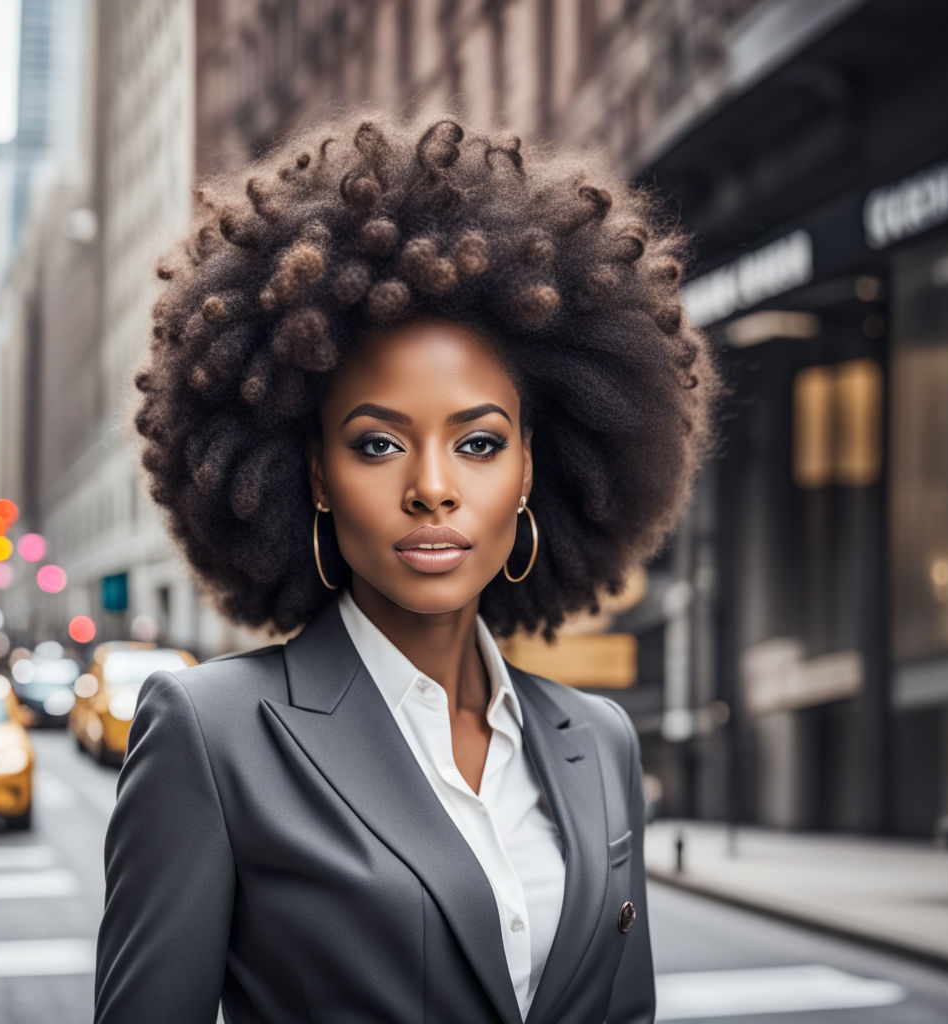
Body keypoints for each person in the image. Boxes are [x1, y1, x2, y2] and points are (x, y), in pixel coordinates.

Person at [95, 111, 720, 1024]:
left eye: (477, 442)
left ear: (531, 469)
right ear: (313, 471)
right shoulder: (211, 736)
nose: (433, 489)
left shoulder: (600, 740)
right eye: (379, 443)